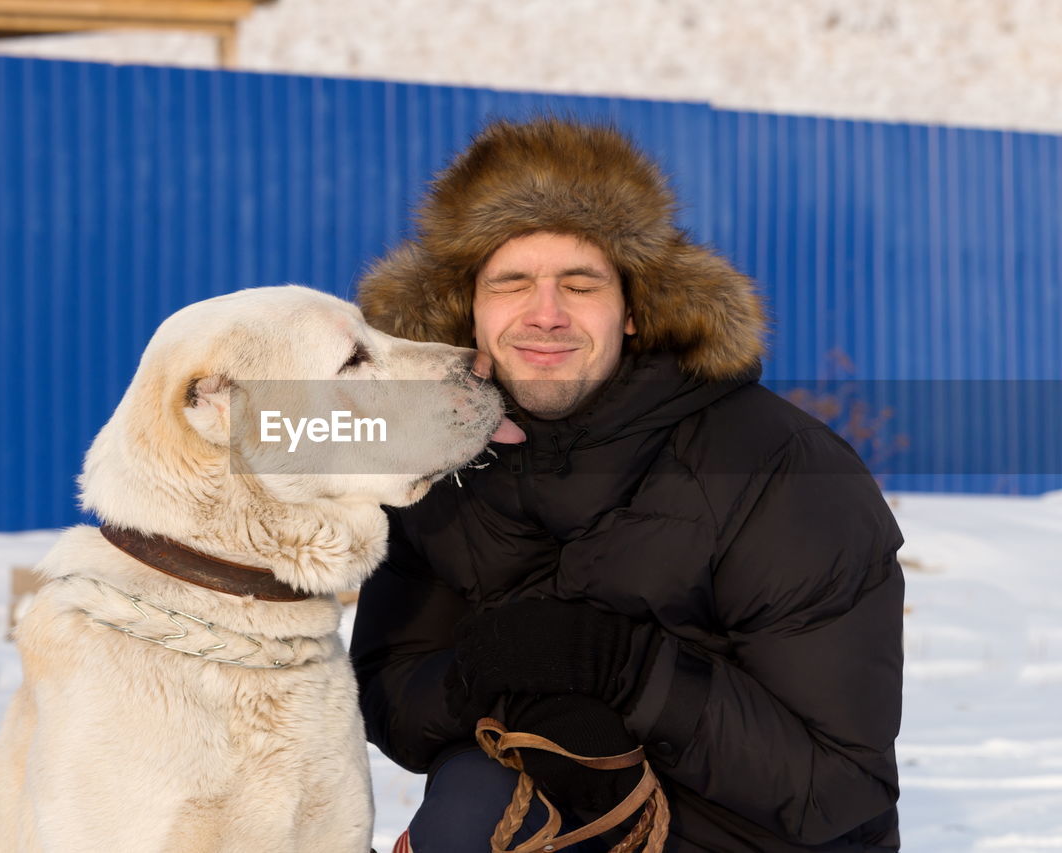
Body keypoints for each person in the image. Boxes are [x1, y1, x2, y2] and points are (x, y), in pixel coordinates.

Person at [350, 117, 904, 852]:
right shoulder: (443, 462)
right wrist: (482, 679)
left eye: (580, 285)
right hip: (557, 812)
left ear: (635, 309)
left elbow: (834, 785)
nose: (545, 315)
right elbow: (390, 688)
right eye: (511, 283)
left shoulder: (782, 467)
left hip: (763, 839)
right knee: (470, 804)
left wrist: (625, 668)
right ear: (468, 310)